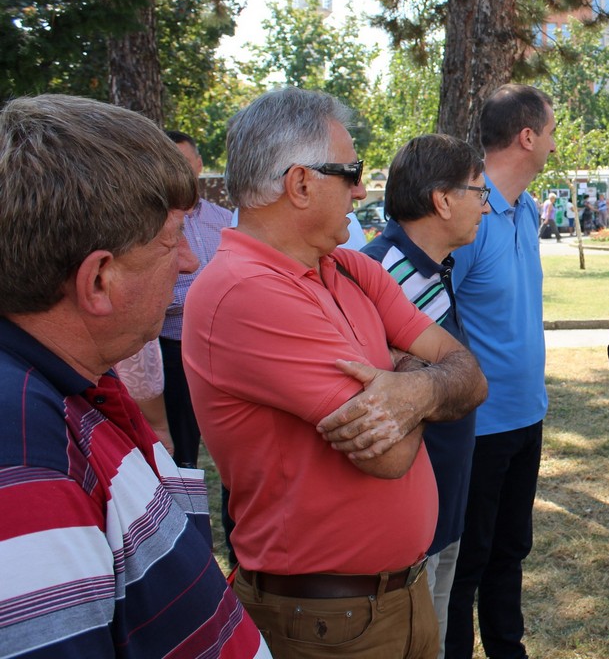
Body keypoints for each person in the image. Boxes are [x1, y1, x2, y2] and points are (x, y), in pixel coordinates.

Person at [183, 87, 486, 659]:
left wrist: (407, 385)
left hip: (396, 596)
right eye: (350, 173)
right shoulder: (244, 291)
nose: (362, 190)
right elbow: (387, 456)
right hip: (326, 622)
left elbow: (471, 373)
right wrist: (420, 372)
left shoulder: (346, 267)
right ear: (300, 183)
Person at [0, 95, 268, 657]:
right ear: (99, 280)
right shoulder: (26, 455)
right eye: (172, 240)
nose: (189, 261)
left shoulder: (74, 384)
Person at [361, 133, 491, 659]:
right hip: (404, 524)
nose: (485, 207)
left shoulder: (430, 267)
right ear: (442, 200)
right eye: (478, 192)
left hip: (443, 507)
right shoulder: (375, 275)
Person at [446, 84, 555, 659]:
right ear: (527, 136)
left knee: (511, 550)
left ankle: (508, 649)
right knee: (468, 561)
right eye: (551, 132)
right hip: (478, 425)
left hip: (526, 416)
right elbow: (432, 316)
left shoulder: (528, 208)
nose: (555, 144)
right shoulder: (469, 211)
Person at [160, 130, 232, 469]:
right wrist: (206, 296)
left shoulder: (225, 220)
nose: (179, 171)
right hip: (173, 350)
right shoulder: (153, 223)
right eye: (169, 163)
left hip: (225, 349)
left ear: (200, 165)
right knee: (181, 448)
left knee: (236, 444)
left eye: (185, 163)